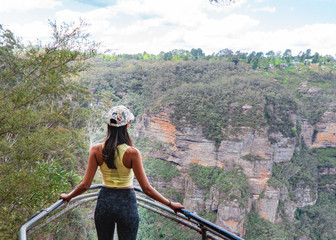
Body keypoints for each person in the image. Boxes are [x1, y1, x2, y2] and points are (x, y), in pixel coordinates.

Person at [60, 105, 184, 240]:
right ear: (127, 126)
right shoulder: (132, 153)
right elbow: (146, 189)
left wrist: (69, 196)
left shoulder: (96, 150)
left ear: (109, 126)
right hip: (126, 202)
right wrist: (171, 205)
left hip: (105, 201)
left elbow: (85, 184)